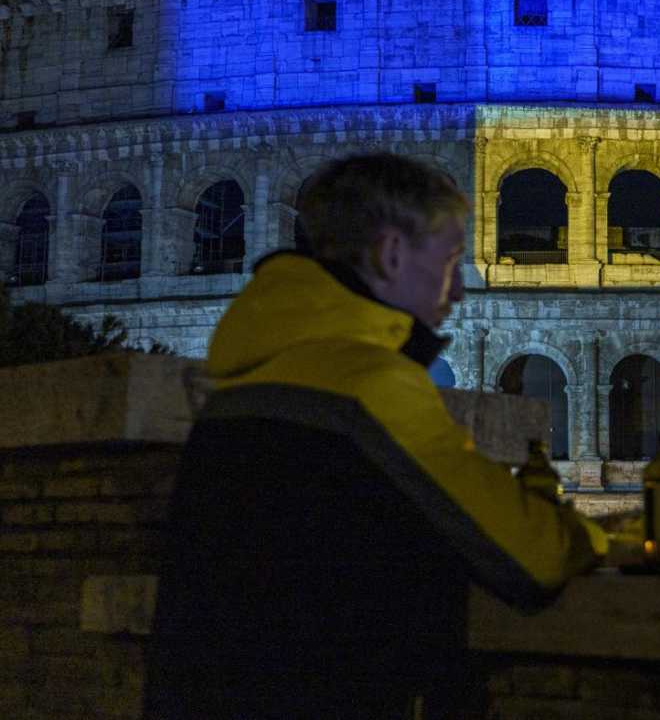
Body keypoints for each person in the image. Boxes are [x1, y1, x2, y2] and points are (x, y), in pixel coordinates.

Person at [144, 153, 606, 720]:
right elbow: (532, 557)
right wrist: (607, 540)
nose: (458, 290)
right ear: (391, 255)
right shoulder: (369, 386)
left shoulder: (241, 379)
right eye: (450, 262)